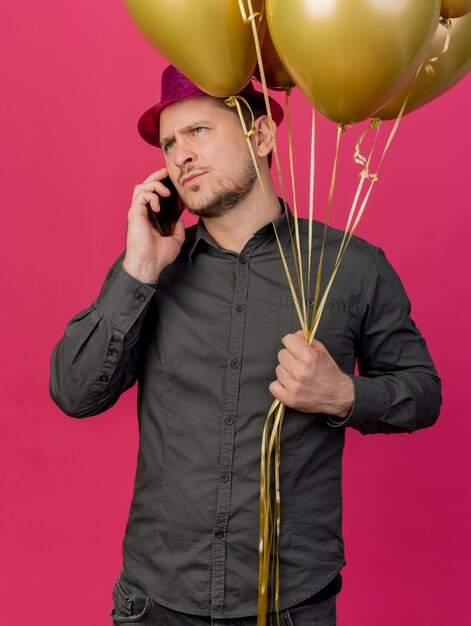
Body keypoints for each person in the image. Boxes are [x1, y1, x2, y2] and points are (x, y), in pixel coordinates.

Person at [49, 65, 441, 626]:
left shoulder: (352, 268)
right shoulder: (152, 269)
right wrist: (137, 267)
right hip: (157, 600)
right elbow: (73, 391)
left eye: (198, 132)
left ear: (260, 136)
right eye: (168, 143)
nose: (179, 154)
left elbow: (424, 393)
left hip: (291, 601)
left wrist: (343, 395)